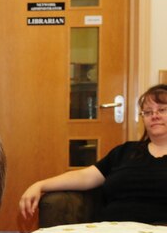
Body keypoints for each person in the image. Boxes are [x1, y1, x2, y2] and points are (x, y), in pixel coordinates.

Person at [19, 84, 167, 225]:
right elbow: (86, 176)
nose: (154, 116)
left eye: (162, 110)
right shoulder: (125, 152)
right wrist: (40, 185)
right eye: (147, 112)